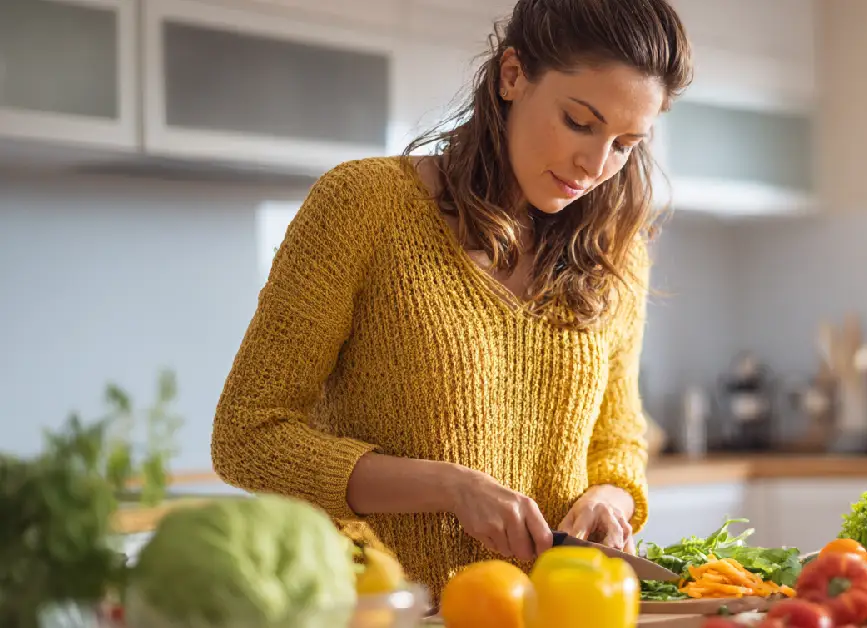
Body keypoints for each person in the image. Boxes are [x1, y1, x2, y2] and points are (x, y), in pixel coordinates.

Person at [210, 0, 693, 600]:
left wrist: (609, 499)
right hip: (382, 609)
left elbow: (617, 441)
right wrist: (447, 486)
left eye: (624, 144)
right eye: (578, 122)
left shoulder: (616, 254)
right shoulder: (363, 205)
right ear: (512, 75)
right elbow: (247, 436)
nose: (595, 165)